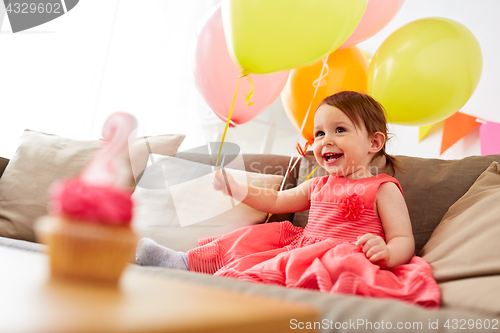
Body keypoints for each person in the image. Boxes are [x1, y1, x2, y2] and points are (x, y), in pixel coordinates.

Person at [136, 91, 441, 308]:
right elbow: (277, 200)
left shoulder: (383, 188)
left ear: (374, 142)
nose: (325, 140)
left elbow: (404, 238)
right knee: (245, 241)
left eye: (340, 130)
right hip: (301, 245)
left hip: (346, 256)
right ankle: (184, 262)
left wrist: (387, 252)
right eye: (319, 133)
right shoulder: (318, 183)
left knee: (303, 270)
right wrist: (239, 189)